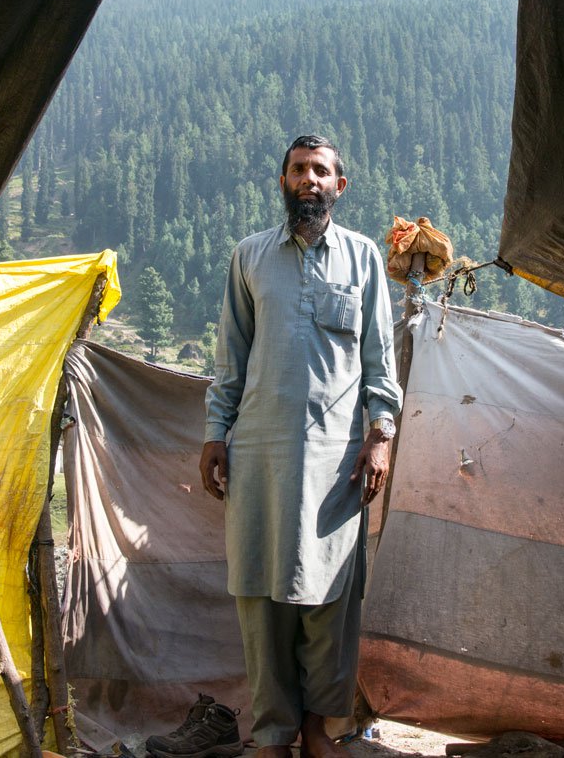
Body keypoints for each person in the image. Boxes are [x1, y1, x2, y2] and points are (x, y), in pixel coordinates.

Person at [200, 134, 402, 758]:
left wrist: (381, 436)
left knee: (330, 602)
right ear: (283, 181)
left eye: (320, 171)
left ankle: (320, 732)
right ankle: (271, 737)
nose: (308, 179)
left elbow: (379, 365)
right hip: (259, 456)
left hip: (335, 461)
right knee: (262, 601)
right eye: (297, 169)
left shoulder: (364, 259)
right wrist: (215, 434)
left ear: (340, 186)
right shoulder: (250, 258)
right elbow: (230, 360)